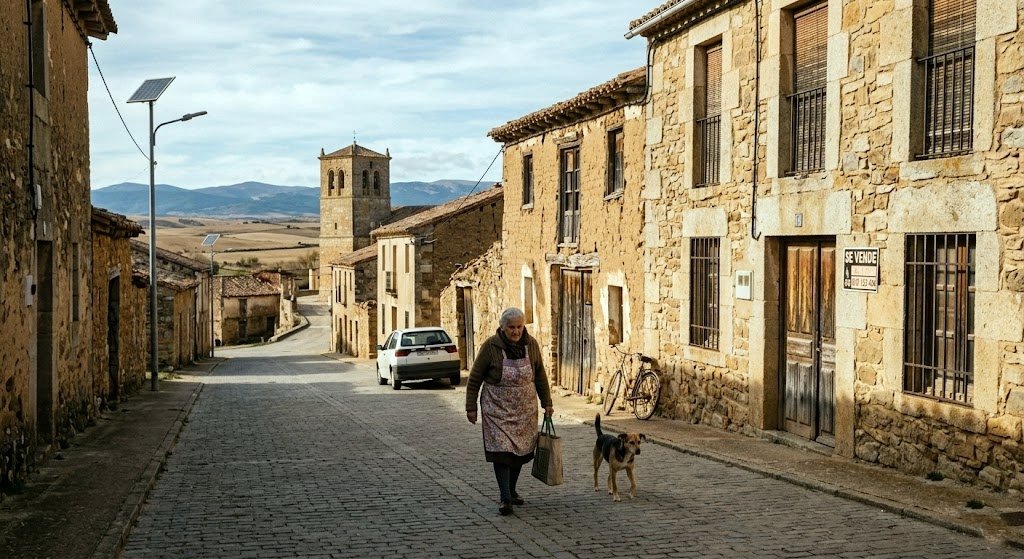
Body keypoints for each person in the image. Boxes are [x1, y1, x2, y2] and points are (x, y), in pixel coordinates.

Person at [466, 307, 554, 516]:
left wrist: (547, 402)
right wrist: (471, 407)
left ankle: (512, 490)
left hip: (525, 409)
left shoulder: (530, 345)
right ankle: (505, 498)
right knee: (502, 452)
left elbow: (540, 374)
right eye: (511, 327)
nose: (516, 331)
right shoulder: (490, 346)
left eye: (519, 327)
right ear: (502, 327)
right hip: (497, 409)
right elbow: (475, 378)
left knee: (520, 452)